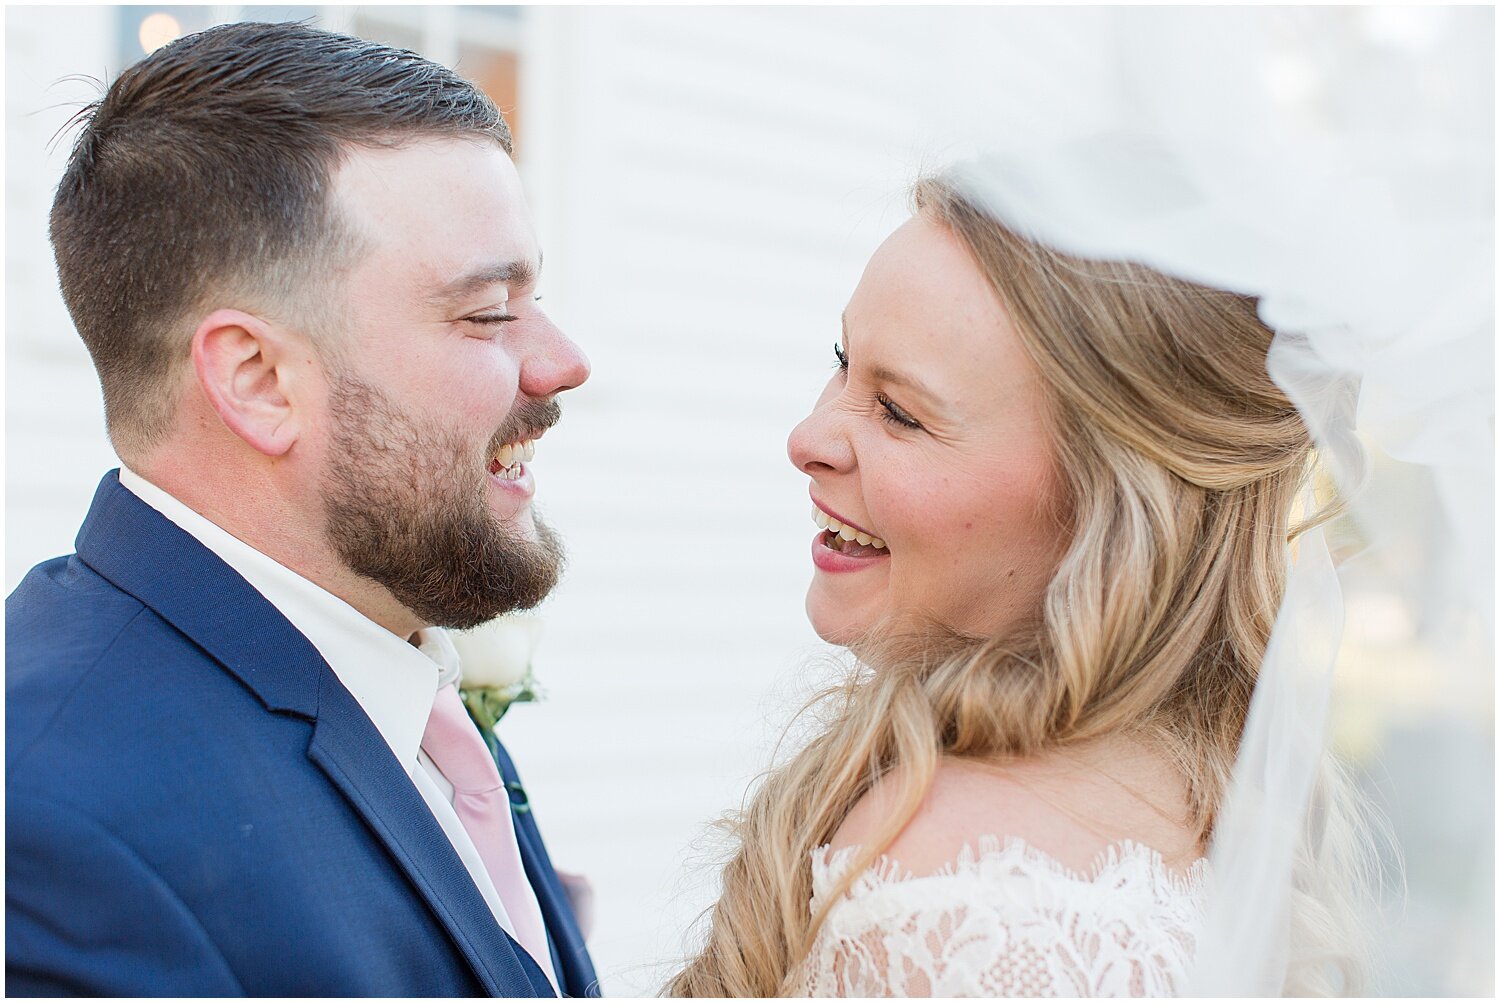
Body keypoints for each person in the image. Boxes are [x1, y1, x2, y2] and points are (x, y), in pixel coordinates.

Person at [666, 176, 1373, 997]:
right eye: (841, 361)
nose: (808, 437)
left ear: (1107, 508)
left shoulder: (958, 910)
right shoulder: (1200, 802)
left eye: (899, 411)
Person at [6, 22, 597, 997]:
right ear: (258, 379)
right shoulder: (48, 830)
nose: (565, 360)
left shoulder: (384, 652)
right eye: (489, 310)